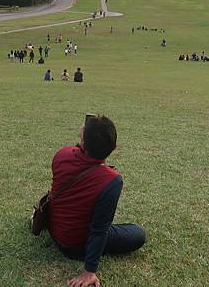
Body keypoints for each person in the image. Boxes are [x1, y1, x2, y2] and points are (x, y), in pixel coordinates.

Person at [47, 115, 146, 287]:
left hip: (53, 229)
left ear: (83, 142)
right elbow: (99, 229)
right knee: (138, 234)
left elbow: (79, 158)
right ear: (113, 148)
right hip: (75, 245)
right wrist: (89, 271)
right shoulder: (111, 180)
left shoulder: (62, 154)